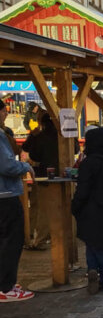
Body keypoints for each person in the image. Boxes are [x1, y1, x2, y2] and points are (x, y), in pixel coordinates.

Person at [72, 127, 103, 294]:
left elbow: (83, 190)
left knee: (91, 245)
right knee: (101, 245)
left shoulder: (88, 163)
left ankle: (93, 270)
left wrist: (75, 206)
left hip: (89, 211)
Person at [0, 99, 35, 302]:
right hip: (6, 195)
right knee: (11, 240)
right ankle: (6, 286)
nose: (5, 115)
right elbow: (7, 166)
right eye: (3, 111)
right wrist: (25, 167)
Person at [22, 112, 59, 249]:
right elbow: (75, 148)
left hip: (43, 176)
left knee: (42, 209)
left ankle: (40, 240)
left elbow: (31, 152)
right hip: (62, 175)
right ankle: (59, 237)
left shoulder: (40, 136)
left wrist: (33, 135)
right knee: (61, 206)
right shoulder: (63, 135)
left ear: (41, 122)